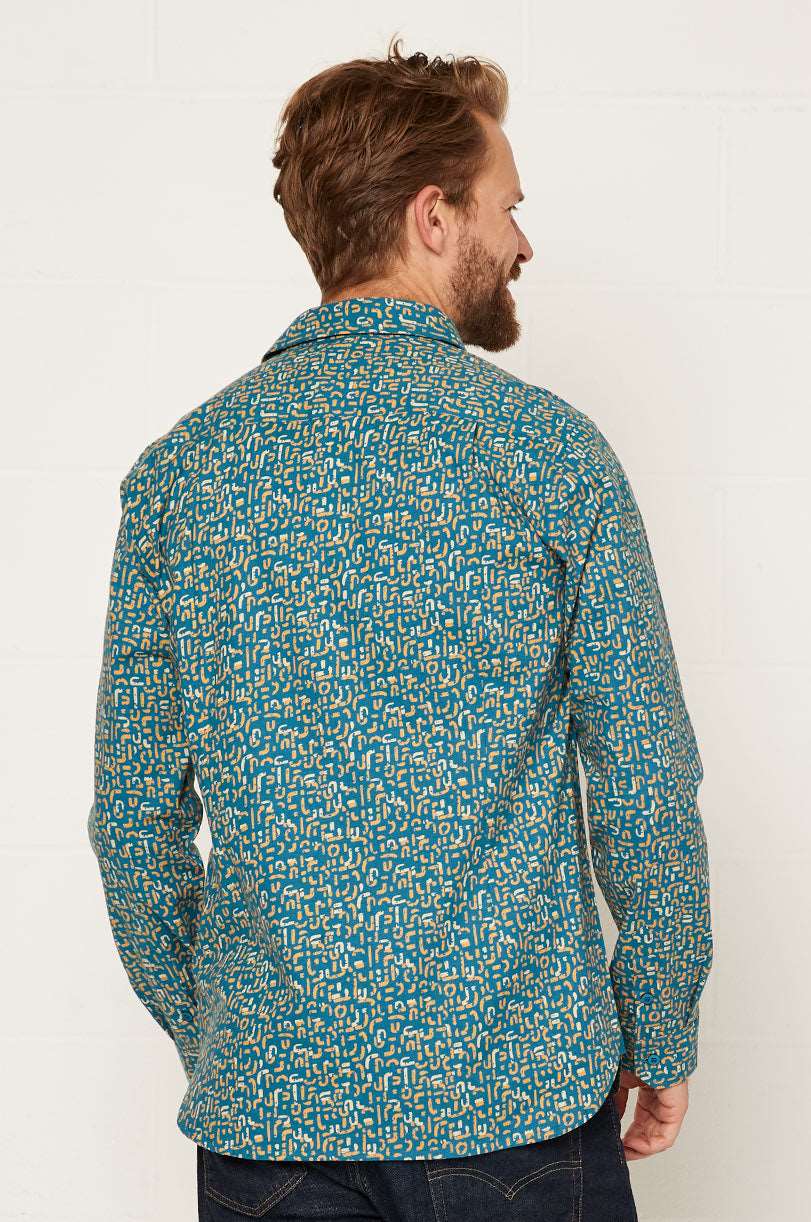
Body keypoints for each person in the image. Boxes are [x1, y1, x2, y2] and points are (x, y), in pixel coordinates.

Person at [88, 35, 713, 1222]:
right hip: (519, 1104)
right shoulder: (549, 455)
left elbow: (132, 823)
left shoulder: (182, 475)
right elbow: (642, 776)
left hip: (270, 1120)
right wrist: (661, 1022)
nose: (522, 241)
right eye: (506, 205)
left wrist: (235, 1042)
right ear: (433, 216)